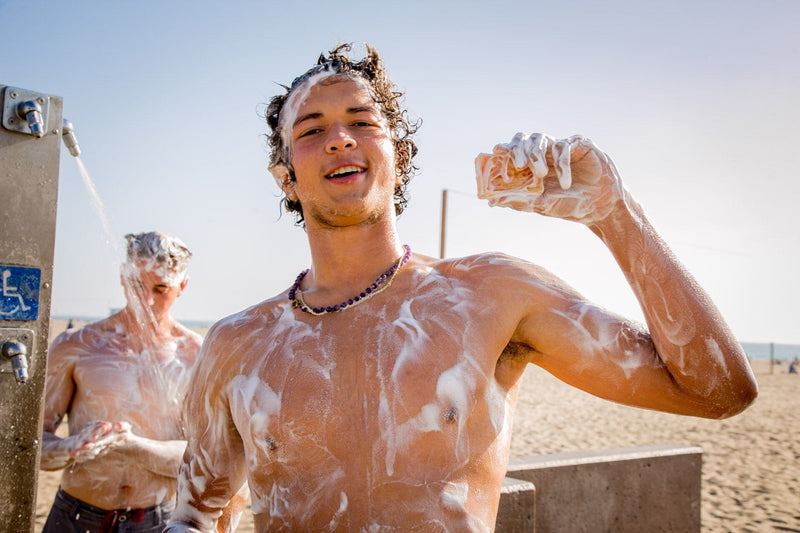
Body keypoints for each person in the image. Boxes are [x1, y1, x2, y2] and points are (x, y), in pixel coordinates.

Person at [167, 44, 758, 532]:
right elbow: (196, 516)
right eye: (312, 129)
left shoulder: (491, 295)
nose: (340, 139)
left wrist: (615, 212)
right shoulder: (238, 345)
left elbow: (718, 391)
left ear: (397, 153)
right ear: (286, 178)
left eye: (362, 122)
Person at [41, 231, 202, 533]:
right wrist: (71, 448)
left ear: (182, 286)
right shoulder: (76, 345)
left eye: (161, 288)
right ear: (122, 277)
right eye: (136, 285)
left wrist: (130, 447)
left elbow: (204, 458)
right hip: (75, 515)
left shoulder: (195, 355)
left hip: (159, 519)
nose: (146, 300)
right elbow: (33, 444)